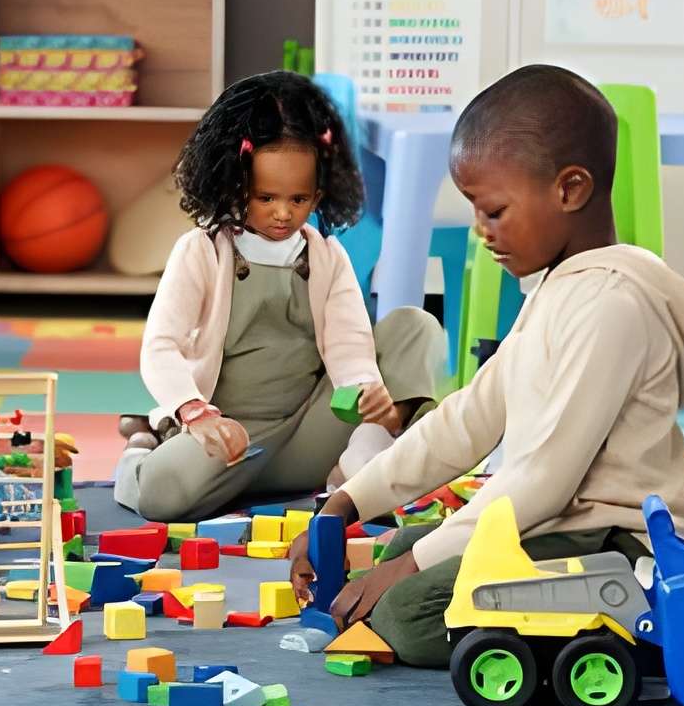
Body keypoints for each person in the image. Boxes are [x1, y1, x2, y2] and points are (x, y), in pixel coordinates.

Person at [286, 65, 684, 667]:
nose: (481, 231)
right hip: (565, 522)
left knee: (406, 612)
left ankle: (634, 614)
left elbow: (544, 478)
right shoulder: (558, 288)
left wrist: (408, 571)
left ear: (570, 189)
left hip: (618, 541)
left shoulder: (611, 307)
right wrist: (348, 503)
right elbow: (468, 417)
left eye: (493, 210)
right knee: (405, 545)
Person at [116, 70, 446, 523]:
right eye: (266, 197)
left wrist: (364, 388)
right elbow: (161, 345)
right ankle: (142, 445)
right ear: (235, 185)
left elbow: (350, 340)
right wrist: (195, 412)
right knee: (160, 495)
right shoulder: (202, 250)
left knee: (414, 325)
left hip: (309, 432)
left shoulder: (326, 255)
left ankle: (366, 453)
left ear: (319, 195)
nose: (283, 213)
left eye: (299, 199)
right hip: (228, 437)